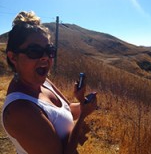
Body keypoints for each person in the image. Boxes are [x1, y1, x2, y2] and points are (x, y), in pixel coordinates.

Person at [2, 11, 99, 154]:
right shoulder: (19, 110)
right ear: (13, 57)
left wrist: (83, 102)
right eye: (35, 51)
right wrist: (82, 117)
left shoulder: (43, 82)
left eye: (50, 50)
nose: (46, 57)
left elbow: (66, 112)